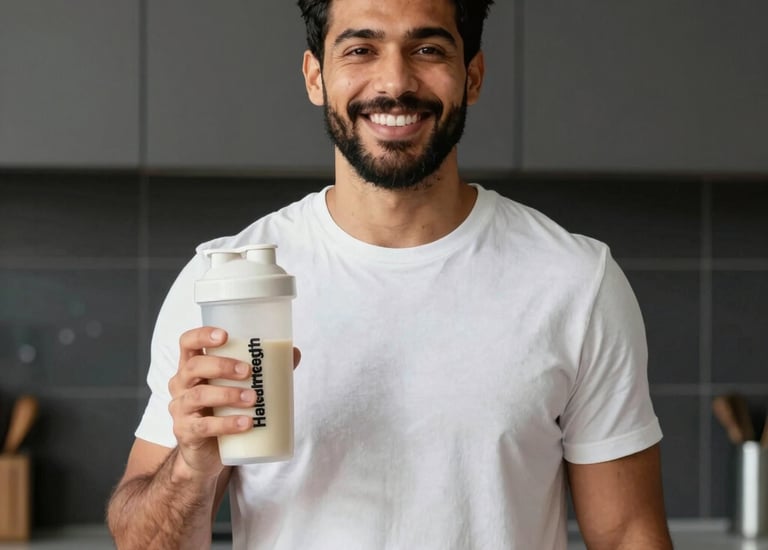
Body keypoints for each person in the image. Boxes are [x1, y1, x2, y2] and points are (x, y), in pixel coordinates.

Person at [107, 0, 674, 548]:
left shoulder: (575, 281)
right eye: (360, 49)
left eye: (427, 48)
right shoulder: (223, 284)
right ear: (315, 77)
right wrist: (191, 467)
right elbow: (145, 545)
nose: (394, 81)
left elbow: (628, 535)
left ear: (472, 76)